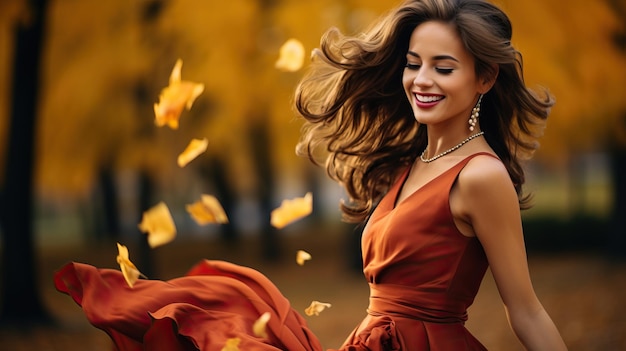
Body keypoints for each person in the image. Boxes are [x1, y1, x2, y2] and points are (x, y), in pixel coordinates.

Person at [54, 0, 568, 350]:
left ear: (485, 76)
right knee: (224, 309)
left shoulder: (480, 176)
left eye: (443, 67)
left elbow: (524, 310)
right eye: (413, 64)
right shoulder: (412, 164)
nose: (421, 80)